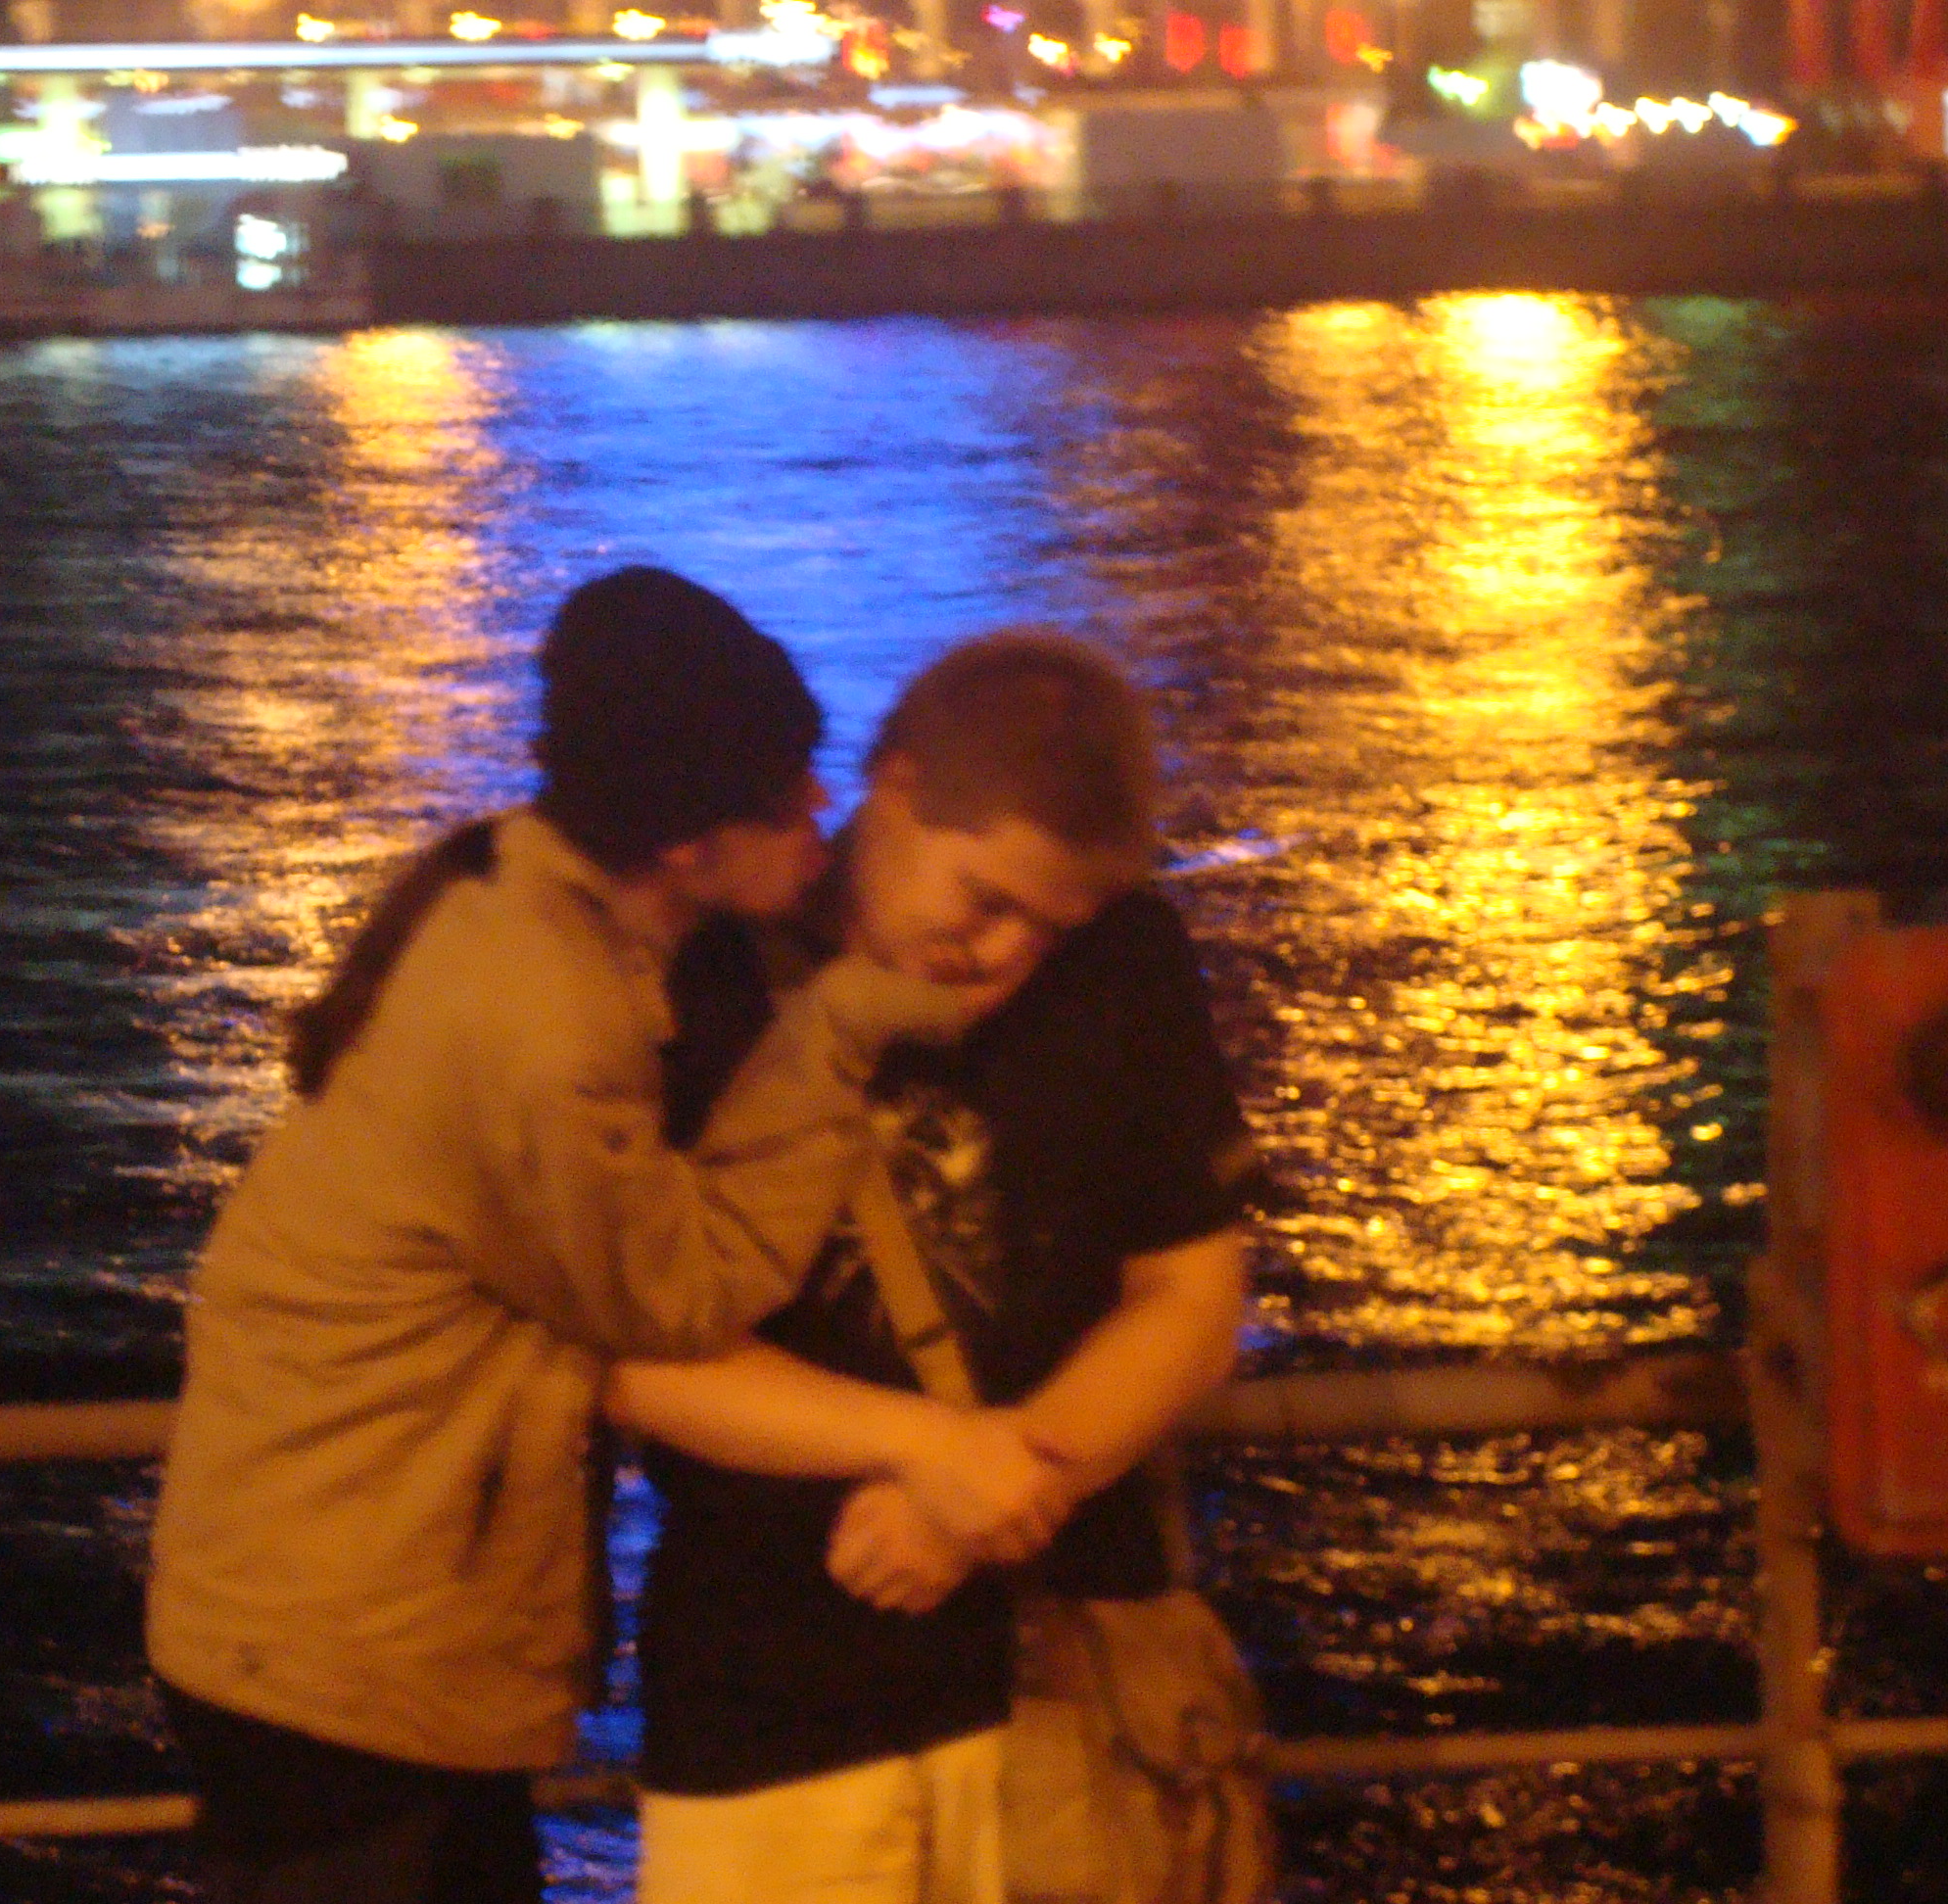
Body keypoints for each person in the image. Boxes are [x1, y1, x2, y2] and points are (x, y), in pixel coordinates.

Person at [144, 570, 1064, 1904]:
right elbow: (675, 1297)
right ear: (687, 846)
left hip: (322, 1620)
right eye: (784, 792)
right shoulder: (546, 1016)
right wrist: (842, 1024)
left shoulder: (504, 902)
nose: (822, 805)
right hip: (343, 1653)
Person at [608, 630, 1259, 1904]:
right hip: (769, 1701)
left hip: (1061, 1687)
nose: (1006, 952)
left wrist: (984, 1496)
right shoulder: (702, 972)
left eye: (1051, 928)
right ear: (894, 787)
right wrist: (938, 1454)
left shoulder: (1129, 960)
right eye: (986, 898)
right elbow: (630, 1352)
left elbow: (1191, 1298)